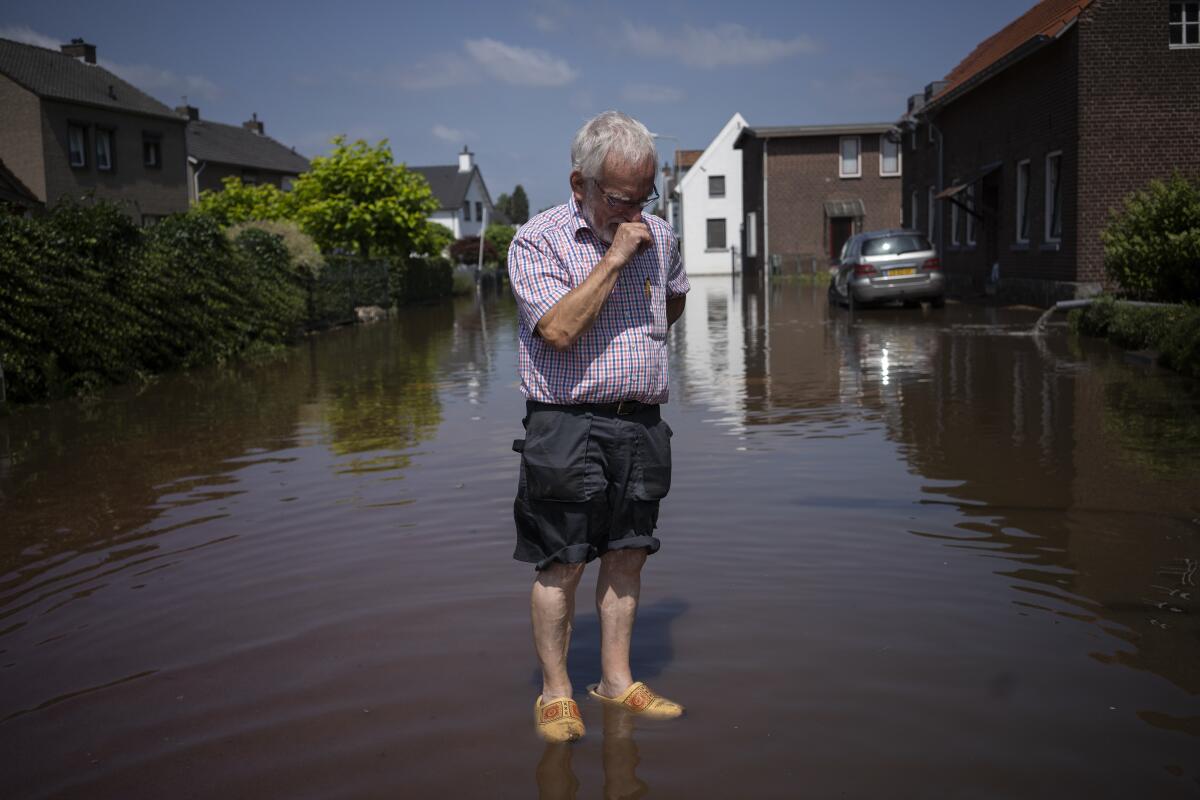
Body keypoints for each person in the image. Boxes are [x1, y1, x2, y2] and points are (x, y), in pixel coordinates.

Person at [508, 110, 690, 743]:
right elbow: (557, 331)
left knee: (628, 556)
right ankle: (555, 693)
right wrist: (613, 259)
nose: (635, 213)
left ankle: (616, 682)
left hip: (641, 422)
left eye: (645, 197)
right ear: (579, 182)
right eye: (620, 200)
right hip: (566, 421)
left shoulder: (660, 234)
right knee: (562, 562)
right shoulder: (537, 240)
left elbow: (674, 296)